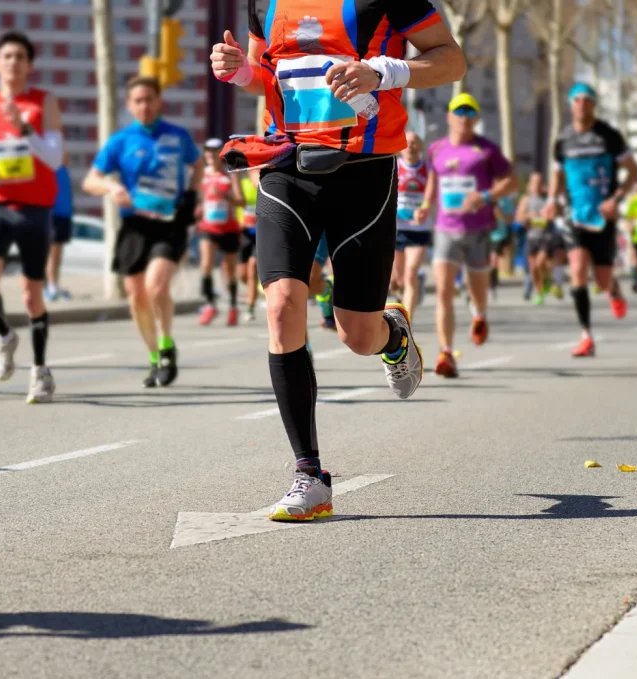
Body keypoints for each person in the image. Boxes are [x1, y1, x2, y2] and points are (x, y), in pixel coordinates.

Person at [212, 0, 464, 521]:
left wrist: (383, 71)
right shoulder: (265, 3)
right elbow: (268, 77)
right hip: (286, 165)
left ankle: (391, 336)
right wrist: (241, 73)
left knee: (356, 335)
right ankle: (309, 473)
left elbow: (451, 61)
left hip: (364, 171)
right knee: (282, 307)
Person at [0, 31, 63, 404]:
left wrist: (25, 129)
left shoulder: (43, 102)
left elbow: (54, 158)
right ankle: (5, 336)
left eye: (20, 56)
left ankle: (39, 371)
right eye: (6, 56)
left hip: (35, 209)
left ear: (29, 64)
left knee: (30, 295)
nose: (13, 62)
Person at [83, 76, 202, 388]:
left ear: (159, 101)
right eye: (138, 100)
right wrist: (111, 186)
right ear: (129, 105)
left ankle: (166, 345)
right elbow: (90, 180)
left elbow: (198, 164)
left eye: (149, 99)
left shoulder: (177, 136)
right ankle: (154, 356)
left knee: (156, 285)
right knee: (136, 294)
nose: (144, 106)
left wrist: (191, 196)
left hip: (169, 222)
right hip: (135, 225)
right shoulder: (120, 141)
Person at [415, 93, 519, 379]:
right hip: (446, 229)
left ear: (476, 118)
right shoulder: (436, 149)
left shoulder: (486, 150)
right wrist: (425, 205)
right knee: (445, 292)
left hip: (479, 231)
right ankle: (446, 353)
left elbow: (513, 182)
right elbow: (433, 180)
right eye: (458, 111)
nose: (463, 117)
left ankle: (479, 315)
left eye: (469, 112)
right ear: (449, 116)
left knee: (478, 292)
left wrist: (485, 196)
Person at [545, 83, 637, 358]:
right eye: (577, 99)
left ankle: (614, 288)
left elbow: (633, 172)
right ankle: (586, 335)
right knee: (577, 271)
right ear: (571, 104)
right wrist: (551, 200)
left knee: (602, 279)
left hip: (603, 216)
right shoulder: (562, 140)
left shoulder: (609, 136)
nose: (582, 104)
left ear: (594, 104)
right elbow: (557, 175)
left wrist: (616, 199)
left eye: (587, 100)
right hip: (574, 215)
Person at [197, 138, 245, 326]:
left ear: (220, 155)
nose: (210, 155)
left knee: (229, 271)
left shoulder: (230, 174)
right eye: (207, 152)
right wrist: (198, 209)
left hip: (229, 228)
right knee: (206, 266)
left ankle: (233, 307)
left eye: (213, 152)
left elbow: (241, 201)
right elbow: (200, 198)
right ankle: (210, 305)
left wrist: (225, 195)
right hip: (208, 227)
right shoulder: (202, 174)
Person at [392, 131, 431, 317]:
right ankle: (405, 290)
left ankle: (406, 322)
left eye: (415, 143)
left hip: (418, 229)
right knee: (396, 280)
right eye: (407, 142)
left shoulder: (428, 170)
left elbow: (434, 196)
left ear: (421, 147)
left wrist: (424, 209)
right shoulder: (394, 167)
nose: (411, 146)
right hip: (395, 230)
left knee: (410, 274)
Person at [517, 172, 558, 305]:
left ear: (543, 185)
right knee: (533, 268)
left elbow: (554, 216)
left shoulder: (548, 199)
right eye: (534, 182)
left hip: (546, 237)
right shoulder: (526, 199)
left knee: (540, 263)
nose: (536, 185)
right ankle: (540, 292)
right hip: (531, 237)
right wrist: (529, 216)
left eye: (539, 183)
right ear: (530, 185)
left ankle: (547, 280)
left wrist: (546, 216)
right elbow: (519, 217)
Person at [45, 155, 74, 302]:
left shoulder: (63, 169)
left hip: (64, 211)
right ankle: (49, 286)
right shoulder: (48, 163)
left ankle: (54, 283)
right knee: (52, 251)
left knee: (58, 251)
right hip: (52, 210)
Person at [237, 169, 261, 322]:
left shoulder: (262, 183)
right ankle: (256, 289)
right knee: (242, 275)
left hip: (260, 232)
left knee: (252, 268)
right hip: (244, 233)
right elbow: (237, 205)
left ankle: (250, 307)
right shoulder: (241, 184)